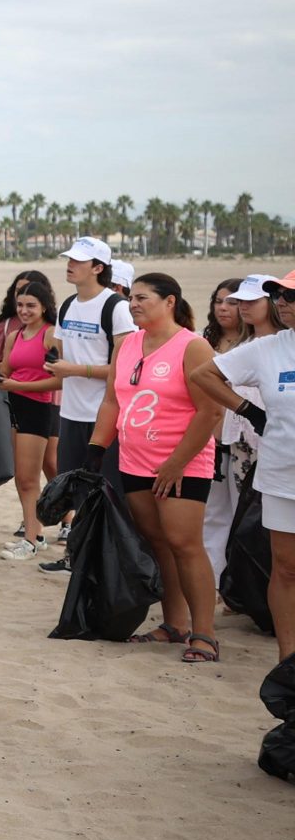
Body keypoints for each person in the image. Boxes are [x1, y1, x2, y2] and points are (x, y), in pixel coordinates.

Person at [95, 271, 232, 664]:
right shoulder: (128, 344)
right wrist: (95, 449)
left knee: (186, 545)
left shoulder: (193, 347)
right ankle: (175, 625)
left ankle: (204, 634)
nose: (133, 304)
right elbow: (111, 402)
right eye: (131, 298)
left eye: (143, 298)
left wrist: (175, 464)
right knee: (158, 544)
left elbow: (210, 411)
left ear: (170, 302)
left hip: (182, 463)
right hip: (133, 460)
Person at [214, 271, 295, 659]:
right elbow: (204, 375)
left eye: (290, 296)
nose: (281, 301)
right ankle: (288, 663)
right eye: (278, 294)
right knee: (286, 569)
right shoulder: (267, 348)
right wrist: (250, 411)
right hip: (281, 476)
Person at [46, 238, 133, 532]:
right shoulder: (68, 305)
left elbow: (125, 368)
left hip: (104, 416)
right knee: (75, 492)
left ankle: (103, 564)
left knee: (107, 494)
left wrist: (76, 369)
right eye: (69, 259)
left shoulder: (116, 307)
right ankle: (76, 556)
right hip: (70, 414)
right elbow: (60, 352)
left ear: (98, 268)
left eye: (78, 261)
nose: (69, 265)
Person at [0, 274, 62, 556]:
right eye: (20, 305)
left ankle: (30, 541)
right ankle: (35, 534)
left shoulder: (51, 334)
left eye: (31, 305)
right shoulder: (13, 336)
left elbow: (60, 380)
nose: (24, 311)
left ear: (44, 306)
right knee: (21, 477)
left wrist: (20, 385)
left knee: (30, 478)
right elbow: (6, 370)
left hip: (39, 408)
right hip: (14, 405)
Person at [201, 275, 265, 584]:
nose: (225, 308)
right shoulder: (206, 343)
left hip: (247, 440)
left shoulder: (259, 345)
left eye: (235, 301)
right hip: (213, 439)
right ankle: (214, 580)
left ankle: (240, 584)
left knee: (246, 512)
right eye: (220, 301)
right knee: (214, 512)